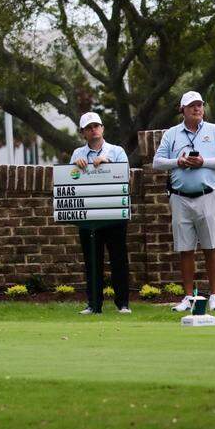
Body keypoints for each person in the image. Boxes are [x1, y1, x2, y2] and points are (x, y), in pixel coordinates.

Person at [152, 91, 215, 312]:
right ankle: (188, 296)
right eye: (191, 106)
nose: (196, 109)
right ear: (182, 109)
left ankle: (214, 296)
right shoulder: (171, 134)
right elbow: (157, 162)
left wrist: (203, 162)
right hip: (180, 198)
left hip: (207, 195)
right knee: (185, 249)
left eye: (199, 105)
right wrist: (178, 162)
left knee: (211, 247)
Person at [70, 112, 132, 314]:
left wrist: (108, 164)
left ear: (102, 128)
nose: (93, 129)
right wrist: (76, 168)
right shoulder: (77, 153)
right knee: (92, 261)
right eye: (89, 127)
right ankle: (94, 304)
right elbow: (71, 180)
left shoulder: (117, 151)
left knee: (118, 259)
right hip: (89, 216)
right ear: (83, 133)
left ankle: (123, 304)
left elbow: (126, 176)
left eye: (96, 125)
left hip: (114, 212)